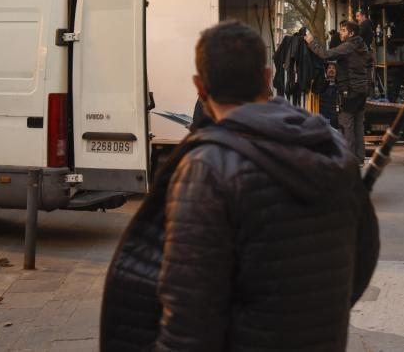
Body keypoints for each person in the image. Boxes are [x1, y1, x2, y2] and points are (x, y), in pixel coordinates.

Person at [100, 21, 378, 351]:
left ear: (200, 88)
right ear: (267, 78)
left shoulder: (207, 169)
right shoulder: (332, 147)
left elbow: (189, 319)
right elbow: (362, 256)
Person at [305, 20, 370, 163]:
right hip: (361, 90)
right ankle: (359, 158)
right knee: (358, 125)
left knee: (346, 124)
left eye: (343, 30)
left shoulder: (349, 46)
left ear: (351, 33)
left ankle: (349, 159)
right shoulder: (363, 46)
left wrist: (311, 42)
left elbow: (327, 54)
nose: (340, 33)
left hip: (349, 90)